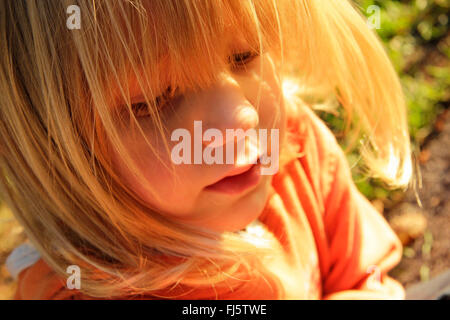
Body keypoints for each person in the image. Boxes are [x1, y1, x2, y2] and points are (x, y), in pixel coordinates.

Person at [0, 0, 413, 299]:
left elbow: (367, 276)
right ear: (56, 157)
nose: (241, 120)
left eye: (245, 55)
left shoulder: (295, 148)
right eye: (154, 100)